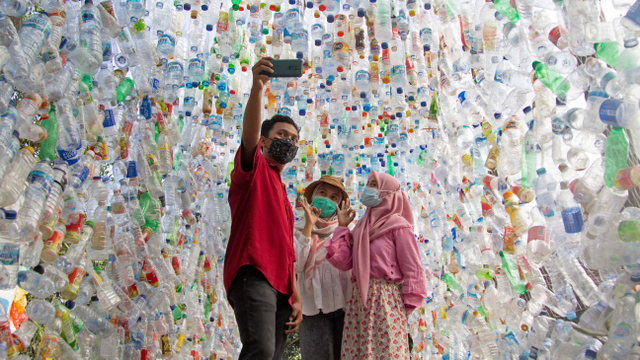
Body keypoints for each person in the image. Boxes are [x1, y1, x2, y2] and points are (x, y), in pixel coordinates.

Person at [224, 57, 303, 360]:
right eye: (282, 135)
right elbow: (249, 132)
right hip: (253, 273)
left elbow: (288, 253)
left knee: (275, 357)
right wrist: (258, 88)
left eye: (295, 139)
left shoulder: (284, 196)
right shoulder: (253, 169)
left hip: (282, 288)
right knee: (260, 350)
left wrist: (295, 295)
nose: (289, 142)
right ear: (264, 141)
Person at [324, 171, 428, 359]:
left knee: (386, 353)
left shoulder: (399, 227)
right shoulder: (361, 228)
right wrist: (342, 227)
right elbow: (344, 262)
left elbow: (413, 269)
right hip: (358, 301)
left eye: (374, 184)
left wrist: (406, 308)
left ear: (387, 192)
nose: (368, 189)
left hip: (385, 299)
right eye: (369, 184)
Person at [294, 176, 353, 360]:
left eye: (334, 197)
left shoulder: (349, 229)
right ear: (312, 198)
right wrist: (308, 228)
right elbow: (296, 265)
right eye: (322, 193)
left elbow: (349, 263)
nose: (327, 199)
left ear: (340, 205)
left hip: (344, 306)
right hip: (311, 308)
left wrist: (342, 230)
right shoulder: (297, 228)